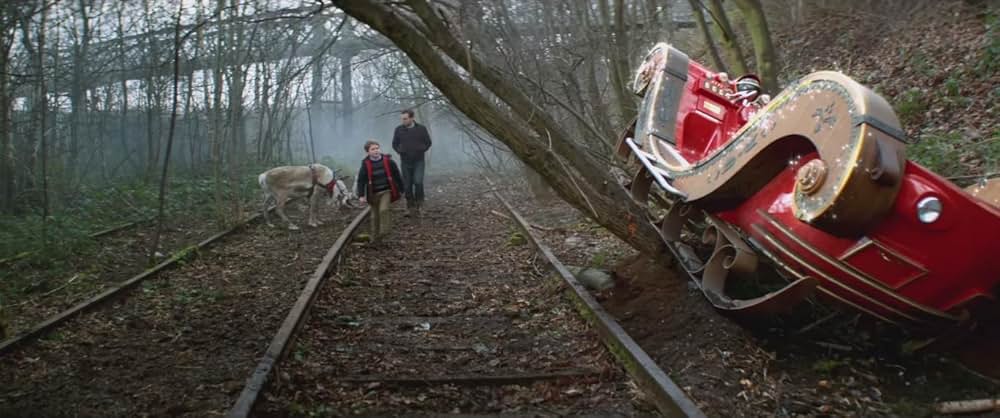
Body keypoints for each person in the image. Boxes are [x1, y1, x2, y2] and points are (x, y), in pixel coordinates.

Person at [355, 140, 403, 244]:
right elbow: (361, 180)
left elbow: (397, 174)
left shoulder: (388, 161)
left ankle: (384, 233)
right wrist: (361, 195)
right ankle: (374, 238)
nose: (376, 151)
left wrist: (402, 188)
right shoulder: (365, 164)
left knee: (383, 210)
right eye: (373, 149)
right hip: (373, 193)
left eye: (377, 148)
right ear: (368, 152)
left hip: (386, 191)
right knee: (374, 216)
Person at [391, 109, 432, 216]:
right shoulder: (398, 130)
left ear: (412, 118)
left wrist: (421, 149)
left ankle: (420, 204)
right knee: (407, 185)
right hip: (405, 161)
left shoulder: (421, 129)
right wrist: (400, 151)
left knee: (418, 182)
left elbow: (428, 142)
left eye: (405, 119)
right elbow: (394, 144)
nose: (403, 121)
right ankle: (410, 206)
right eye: (402, 119)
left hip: (419, 160)